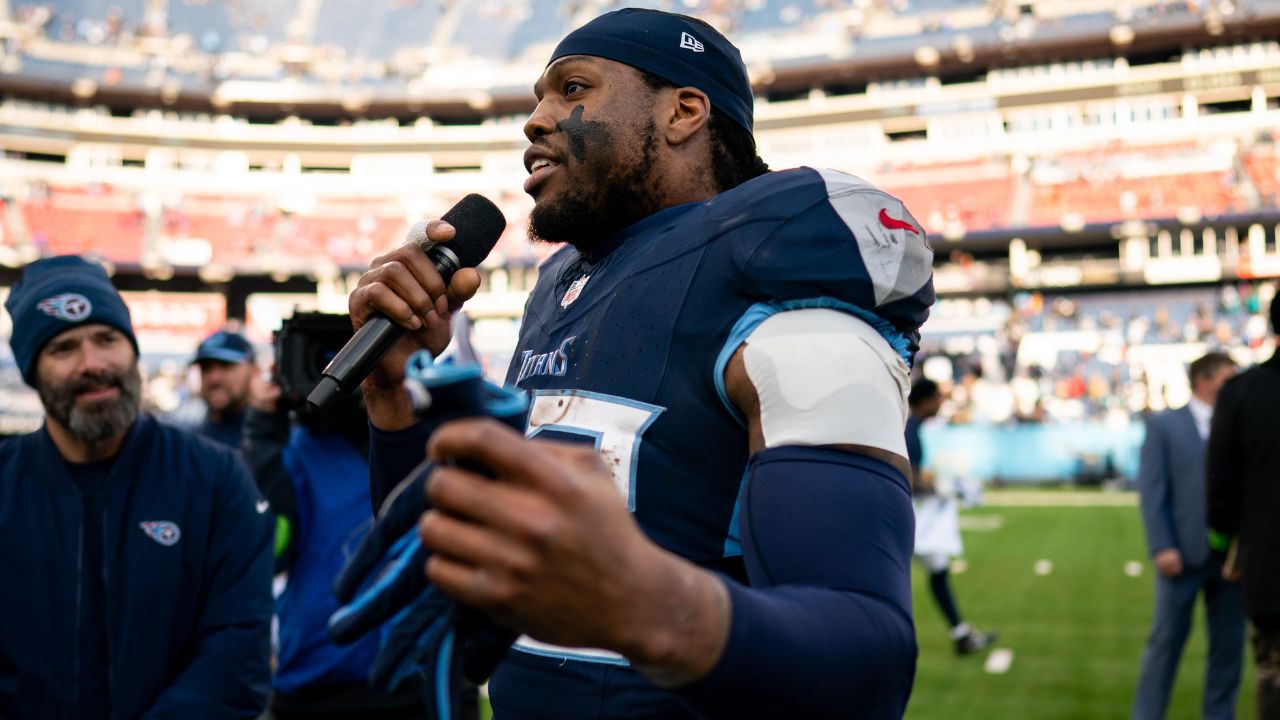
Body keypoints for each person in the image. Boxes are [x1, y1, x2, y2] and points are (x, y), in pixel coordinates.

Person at [346, 8, 934, 719]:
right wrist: (394, 392)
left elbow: (866, 659)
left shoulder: (774, 272)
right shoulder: (560, 287)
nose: (534, 120)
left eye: (572, 88)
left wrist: (644, 603)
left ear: (685, 111)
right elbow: (439, 552)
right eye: (537, 97)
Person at [0, 255, 274, 718]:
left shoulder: (216, 479)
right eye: (63, 348)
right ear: (32, 370)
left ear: (132, 348)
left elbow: (236, 655)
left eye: (106, 339)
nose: (93, 364)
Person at [240, 318, 443, 720]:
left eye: (352, 353)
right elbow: (270, 551)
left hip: (404, 676)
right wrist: (263, 429)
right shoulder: (287, 451)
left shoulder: (414, 440)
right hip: (315, 678)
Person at [1133, 352, 1244, 720]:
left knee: (1228, 652)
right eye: (1230, 377)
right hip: (1180, 554)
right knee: (1164, 648)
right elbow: (1152, 489)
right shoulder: (1165, 425)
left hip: (1230, 560)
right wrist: (1161, 545)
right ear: (1205, 380)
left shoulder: (1240, 423)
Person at [1209, 297, 1280, 720]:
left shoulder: (1242, 393)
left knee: (1273, 685)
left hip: (1270, 573)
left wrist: (1225, 551)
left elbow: (1220, 492)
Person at [905, 378, 997, 656]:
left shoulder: (912, 427)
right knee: (927, 571)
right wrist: (941, 487)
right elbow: (907, 477)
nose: (941, 404)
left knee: (938, 569)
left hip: (904, 512)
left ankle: (960, 634)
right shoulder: (910, 429)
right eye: (937, 398)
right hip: (901, 514)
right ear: (926, 400)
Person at [193, 328, 256, 449]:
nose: (214, 379)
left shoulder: (278, 434)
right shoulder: (192, 440)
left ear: (254, 370)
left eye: (226, 366)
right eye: (206, 368)